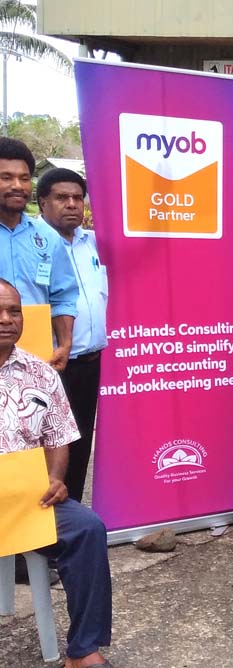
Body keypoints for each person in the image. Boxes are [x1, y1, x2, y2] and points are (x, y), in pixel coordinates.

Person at [0, 279, 113, 668]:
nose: (7, 319)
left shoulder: (40, 372)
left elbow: (58, 436)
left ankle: (83, 650)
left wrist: (56, 479)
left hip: (27, 499)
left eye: (14, 311)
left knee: (87, 528)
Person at [34, 168, 107, 504]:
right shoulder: (32, 242)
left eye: (78, 198)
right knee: (44, 450)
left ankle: (70, 520)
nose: (72, 205)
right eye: (62, 198)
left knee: (78, 448)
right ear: (42, 202)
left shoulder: (91, 242)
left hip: (89, 363)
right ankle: (37, 533)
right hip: (48, 364)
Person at [0, 137, 78, 372]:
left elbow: (63, 295)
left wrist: (64, 344)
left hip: (36, 362)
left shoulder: (47, 238)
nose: (18, 185)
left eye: (24, 178)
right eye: (6, 177)